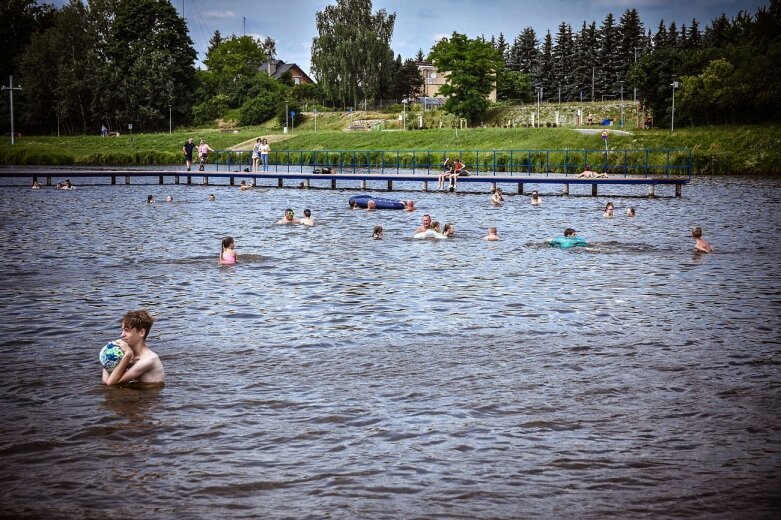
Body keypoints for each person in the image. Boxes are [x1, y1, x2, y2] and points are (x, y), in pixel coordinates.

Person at [102, 310, 165, 386]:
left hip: (148, 395)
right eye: (122, 330)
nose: (122, 335)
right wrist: (107, 354)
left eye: (127, 330)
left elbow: (110, 383)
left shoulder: (149, 359)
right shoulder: (127, 354)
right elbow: (105, 381)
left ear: (141, 332)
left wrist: (128, 354)